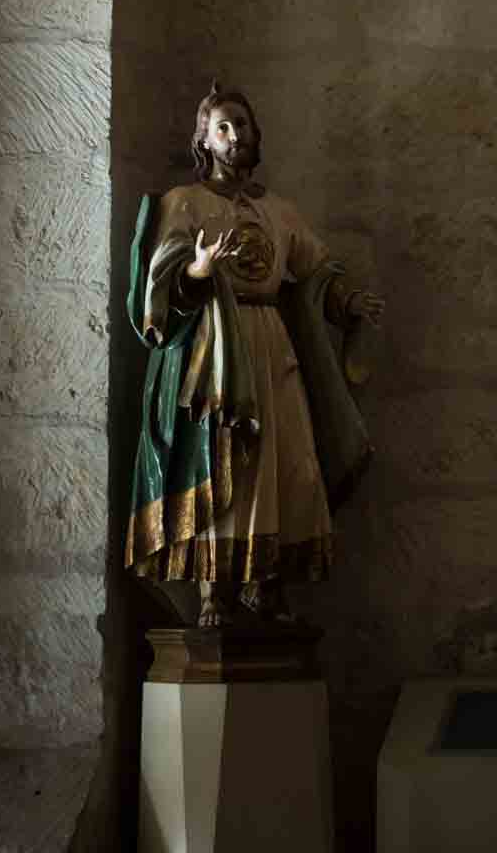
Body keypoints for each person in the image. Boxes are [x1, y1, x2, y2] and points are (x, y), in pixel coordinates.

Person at [125, 82, 383, 626]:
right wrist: (197, 270)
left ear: (254, 136)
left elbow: (317, 269)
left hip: (272, 344)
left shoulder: (277, 210)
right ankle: (212, 592)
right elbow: (161, 283)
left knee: (286, 465)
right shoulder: (185, 202)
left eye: (241, 125)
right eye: (222, 126)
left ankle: (265, 584)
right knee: (223, 466)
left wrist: (349, 301)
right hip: (212, 352)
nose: (233, 135)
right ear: (204, 139)